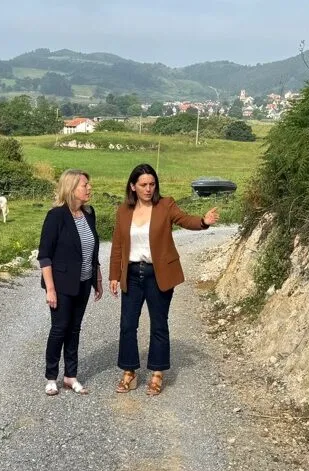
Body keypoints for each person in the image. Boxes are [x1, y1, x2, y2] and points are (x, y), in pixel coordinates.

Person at [109, 163, 218, 396]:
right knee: (127, 325)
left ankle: (157, 373)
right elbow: (118, 245)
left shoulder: (165, 205)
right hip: (131, 273)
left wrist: (204, 221)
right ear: (133, 186)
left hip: (157, 274)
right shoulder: (123, 211)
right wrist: (114, 276)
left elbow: (185, 220)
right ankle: (129, 371)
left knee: (159, 324)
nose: (148, 189)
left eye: (152, 184)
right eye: (143, 185)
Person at [38, 169, 103, 396]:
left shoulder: (89, 214)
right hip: (61, 284)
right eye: (85, 185)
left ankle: (70, 376)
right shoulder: (56, 216)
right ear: (71, 188)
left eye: (88, 184)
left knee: (75, 329)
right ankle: (51, 377)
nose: (89, 188)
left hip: (83, 282)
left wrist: (98, 279)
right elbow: (45, 255)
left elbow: (92, 250)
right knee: (59, 329)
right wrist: (51, 289)